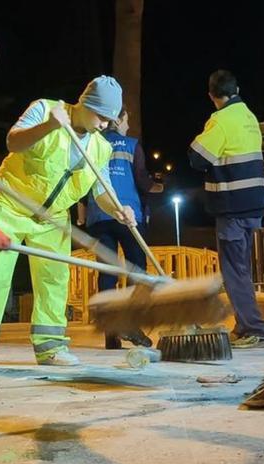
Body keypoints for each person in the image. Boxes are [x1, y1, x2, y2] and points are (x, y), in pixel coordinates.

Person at [0, 76, 136, 371]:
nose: (105, 125)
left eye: (110, 119)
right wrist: (50, 126)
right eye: (101, 117)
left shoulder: (100, 148)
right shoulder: (45, 110)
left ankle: (50, 347)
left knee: (54, 278)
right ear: (84, 104)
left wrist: (119, 209)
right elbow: (13, 141)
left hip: (53, 216)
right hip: (11, 205)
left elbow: (103, 191)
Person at [188, 70, 264, 349]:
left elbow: (197, 159)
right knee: (242, 268)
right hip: (253, 206)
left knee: (234, 271)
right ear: (237, 88)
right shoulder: (250, 118)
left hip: (232, 207)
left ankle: (255, 329)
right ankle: (244, 325)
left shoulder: (221, 120)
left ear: (212, 96)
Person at [83, 107, 162, 349]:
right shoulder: (131, 144)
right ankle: (129, 320)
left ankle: (111, 332)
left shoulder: (93, 142)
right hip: (128, 215)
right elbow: (141, 179)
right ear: (118, 119)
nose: (128, 125)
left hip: (98, 214)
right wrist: (159, 188)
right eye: (126, 120)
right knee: (136, 267)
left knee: (107, 270)